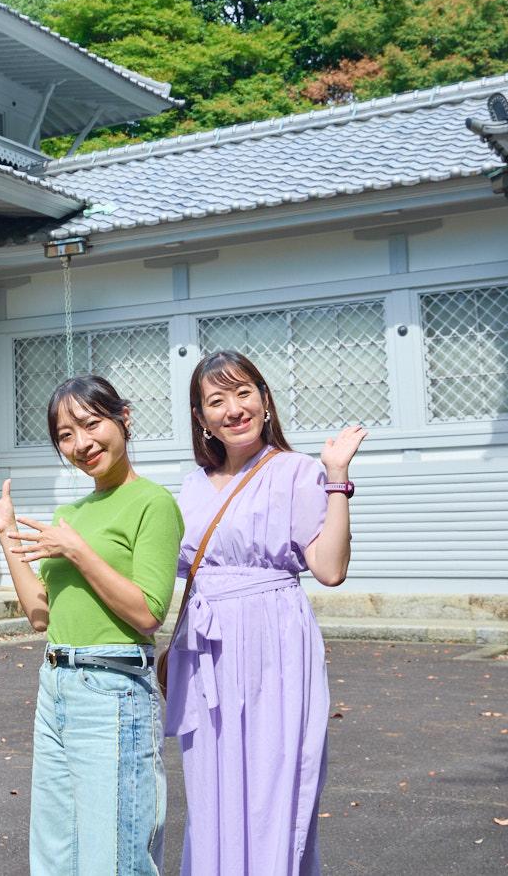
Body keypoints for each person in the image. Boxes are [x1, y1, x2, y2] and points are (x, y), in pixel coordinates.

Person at [0, 374, 183, 875]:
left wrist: (77, 551)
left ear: (124, 418)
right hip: (56, 685)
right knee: (55, 855)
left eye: (91, 423)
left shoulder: (153, 503)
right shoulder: (70, 513)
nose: (81, 444)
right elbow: (40, 613)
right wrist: (6, 531)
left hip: (114, 689)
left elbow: (148, 612)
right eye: (65, 435)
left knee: (116, 855)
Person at [163, 350, 366, 875]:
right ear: (200, 418)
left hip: (274, 644)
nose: (234, 408)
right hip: (207, 652)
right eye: (217, 400)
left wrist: (337, 476)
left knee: (275, 783)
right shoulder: (189, 486)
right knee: (212, 788)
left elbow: (328, 568)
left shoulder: (297, 471)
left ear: (265, 399)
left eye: (243, 392)